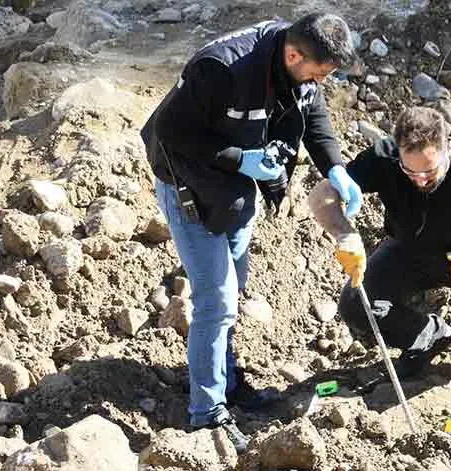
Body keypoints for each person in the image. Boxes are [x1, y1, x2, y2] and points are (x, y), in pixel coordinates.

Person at [140, 13, 363, 452]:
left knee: (233, 289)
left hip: (235, 189)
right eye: (319, 72)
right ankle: (206, 415)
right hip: (187, 182)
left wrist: (335, 166)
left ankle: (227, 379)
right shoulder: (222, 67)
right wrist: (238, 157)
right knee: (217, 300)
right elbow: (170, 132)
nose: (320, 80)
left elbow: (312, 109)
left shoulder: (298, 66)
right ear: (294, 54)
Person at [308, 106, 451, 393]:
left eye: (430, 171)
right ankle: (429, 337)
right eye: (410, 171)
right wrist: (344, 235)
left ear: (447, 147)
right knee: (355, 303)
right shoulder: (384, 157)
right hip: (408, 248)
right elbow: (321, 194)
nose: (420, 180)